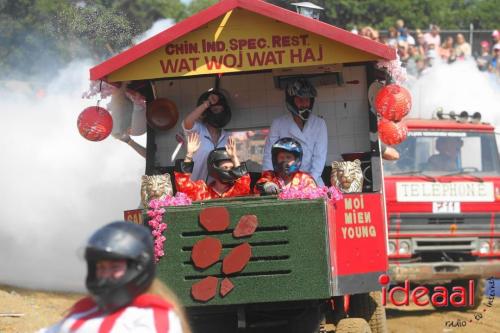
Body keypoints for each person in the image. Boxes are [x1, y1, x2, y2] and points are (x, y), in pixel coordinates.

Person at [39, 222, 190, 333]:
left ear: (138, 267)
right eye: (101, 268)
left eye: (115, 267)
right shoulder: (85, 309)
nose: (105, 275)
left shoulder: (152, 317)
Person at [262, 78, 328, 186]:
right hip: (284, 182)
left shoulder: (320, 124)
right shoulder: (278, 124)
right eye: (300, 100)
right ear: (291, 101)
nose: (305, 104)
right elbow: (269, 156)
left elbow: (319, 159)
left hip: (312, 182)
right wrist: (267, 182)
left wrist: (308, 182)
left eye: (308, 100)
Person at [175, 132, 250, 201]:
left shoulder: (237, 191)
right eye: (225, 167)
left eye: (232, 168)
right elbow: (183, 185)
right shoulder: (203, 192)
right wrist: (189, 154)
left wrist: (234, 158)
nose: (229, 171)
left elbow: (244, 181)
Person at [182, 89, 231, 182]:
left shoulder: (227, 136)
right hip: (195, 188)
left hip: (217, 191)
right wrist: (207, 103)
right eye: (215, 110)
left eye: (221, 110)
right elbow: (187, 122)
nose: (219, 113)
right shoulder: (197, 130)